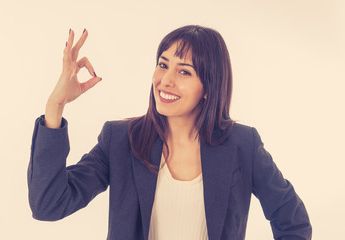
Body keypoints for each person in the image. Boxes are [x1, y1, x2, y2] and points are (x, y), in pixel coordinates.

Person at [28, 25, 312, 240]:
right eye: (163, 65)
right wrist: (56, 104)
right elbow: (48, 205)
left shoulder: (242, 145)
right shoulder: (121, 139)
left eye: (184, 72)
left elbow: (293, 222)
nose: (166, 80)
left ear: (209, 87)